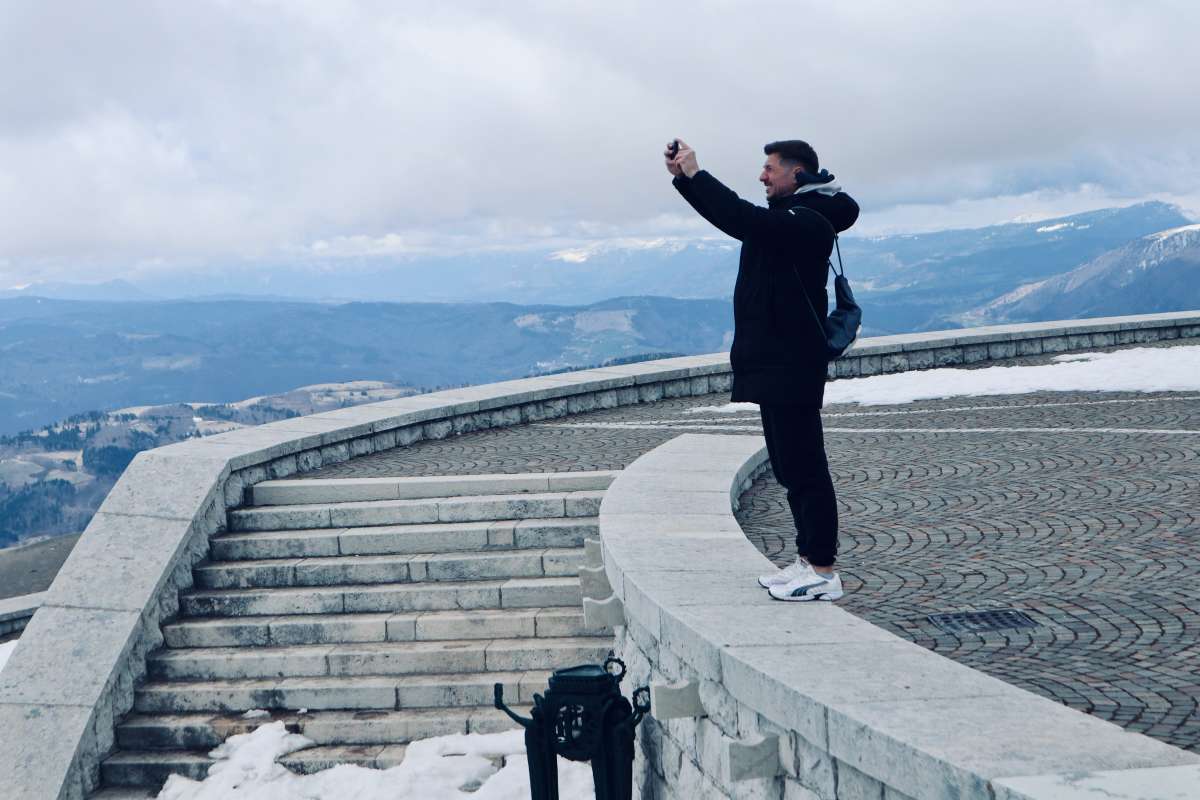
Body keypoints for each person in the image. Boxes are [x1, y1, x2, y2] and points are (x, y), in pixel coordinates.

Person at [665, 138, 859, 601]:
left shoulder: (808, 221)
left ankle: (824, 571)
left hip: (794, 364)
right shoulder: (791, 218)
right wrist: (684, 180)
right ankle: (807, 560)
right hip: (779, 363)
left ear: (797, 174)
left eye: (769, 168)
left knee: (806, 468)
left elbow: (741, 218)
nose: (762, 175)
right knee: (791, 468)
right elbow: (738, 220)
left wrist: (697, 174)